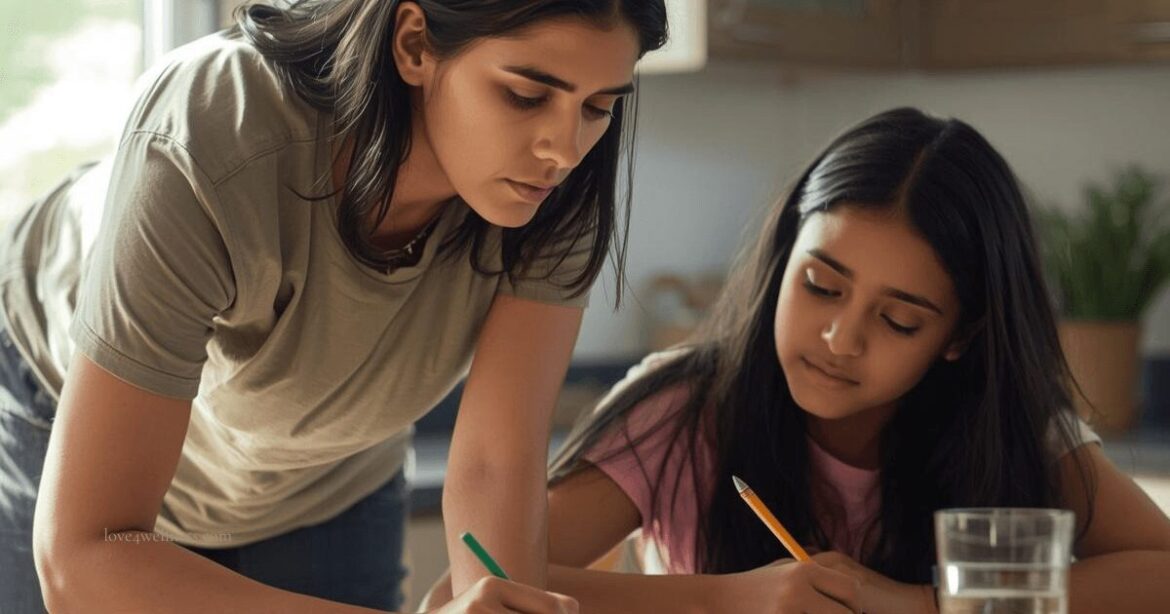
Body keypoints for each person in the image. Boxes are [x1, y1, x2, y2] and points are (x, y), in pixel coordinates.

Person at [0, 1, 667, 612]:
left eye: (599, 106)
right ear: (414, 45)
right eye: (526, 96)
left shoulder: (558, 190)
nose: (564, 149)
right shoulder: (216, 127)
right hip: (57, 409)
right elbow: (84, 555)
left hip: (328, 470)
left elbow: (495, 464)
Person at [422, 108, 1170, 613]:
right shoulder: (685, 412)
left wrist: (915, 603)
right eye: (819, 286)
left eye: (899, 319)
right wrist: (732, 600)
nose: (840, 338)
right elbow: (473, 587)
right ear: (784, 259)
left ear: (961, 336)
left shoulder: (1010, 428)